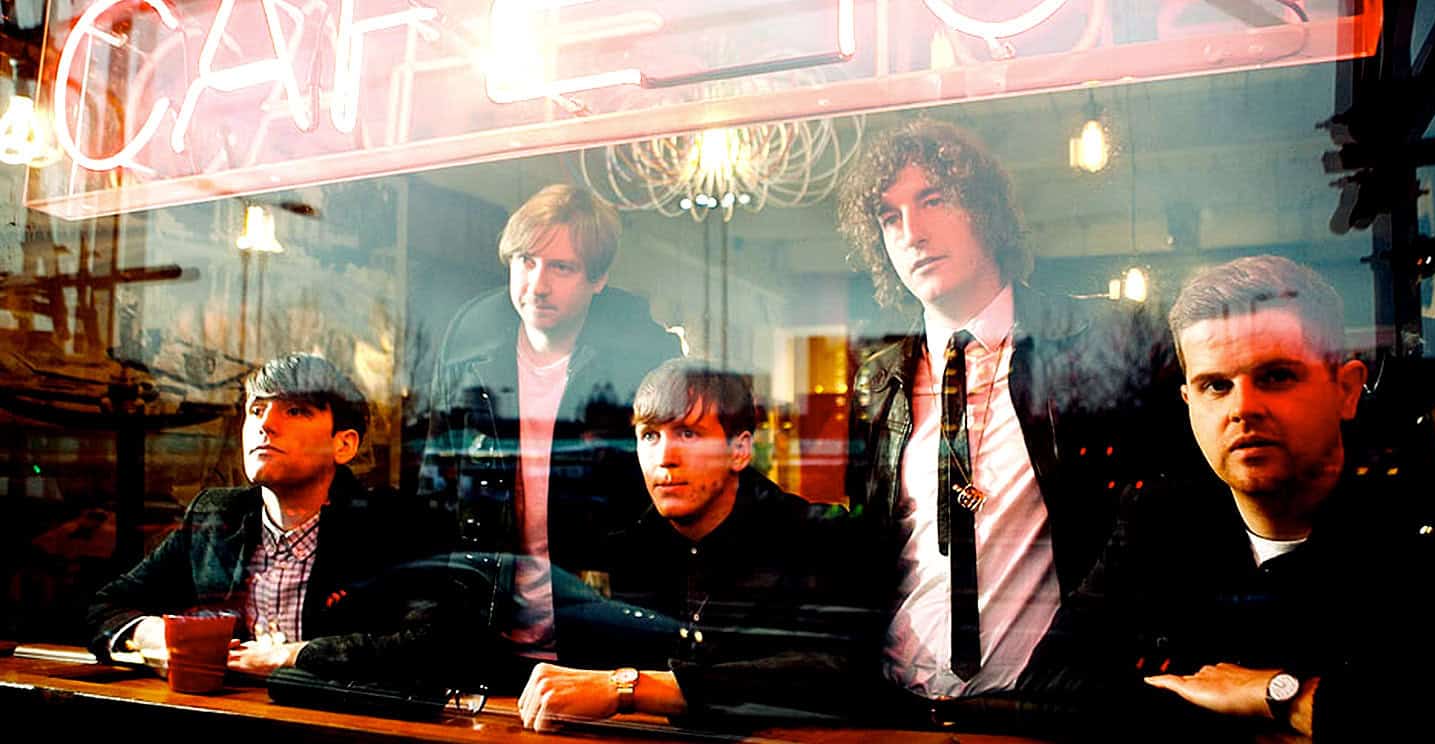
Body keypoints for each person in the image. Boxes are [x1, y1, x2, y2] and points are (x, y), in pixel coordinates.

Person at [1028, 254, 1435, 739]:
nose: (1243, 409)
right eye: (1216, 386)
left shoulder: (1426, 532)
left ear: (1346, 390)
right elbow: (1047, 679)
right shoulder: (1161, 520)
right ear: (1189, 405)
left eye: (1276, 377)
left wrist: (1276, 692)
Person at [837, 118, 1166, 729]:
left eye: (933, 199)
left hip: (1048, 711)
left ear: (984, 207)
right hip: (899, 704)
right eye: (889, 216)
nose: (912, 232)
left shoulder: (1097, 341)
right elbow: (872, 551)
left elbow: (1154, 520)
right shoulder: (879, 378)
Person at [514, 359, 863, 731]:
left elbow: (840, 675)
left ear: (739, 450)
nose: (665, 458)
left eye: (688, 434)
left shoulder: (816, 538)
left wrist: (631, 688)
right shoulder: (625, 547)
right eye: (650, 435)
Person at [421, 184, 679, 685]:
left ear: (597, 278)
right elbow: (436, 490)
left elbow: (663, 503)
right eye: (526, 261)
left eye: (561, 267)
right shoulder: (468, 343)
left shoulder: (640, 355)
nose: (537, 285)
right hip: (483, 641)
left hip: (603, 642)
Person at [87, 353, 433, 680]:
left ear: (342, 445)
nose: (265, 424)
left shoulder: (390, 526)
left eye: (295, 411)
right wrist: (159, 638)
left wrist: (287, 657)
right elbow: (104, 607)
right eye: (256, 409)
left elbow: (435, 643)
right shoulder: (217, 517)